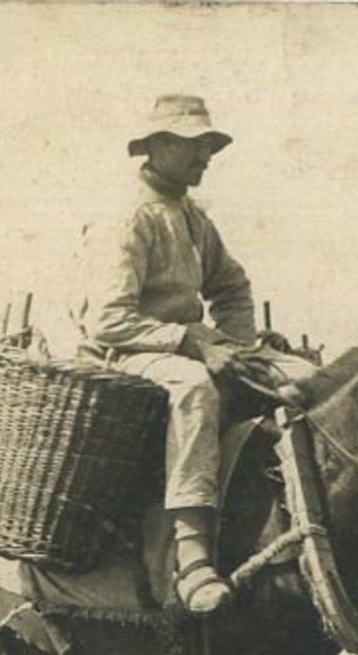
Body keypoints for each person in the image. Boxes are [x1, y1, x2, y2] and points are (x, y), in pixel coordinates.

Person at [80, 94, 316, 614]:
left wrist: (236, 345)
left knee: (306, 377)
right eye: (194, 144)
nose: (206, 156)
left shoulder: (190, 215)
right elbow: (108, 321)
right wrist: (195, 343)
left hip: (186, 347)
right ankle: (191, 553)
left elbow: (231, 286)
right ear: (159, 145)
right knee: (194, 388)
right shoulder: (129, 217)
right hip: (125, 352)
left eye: (209, 145)